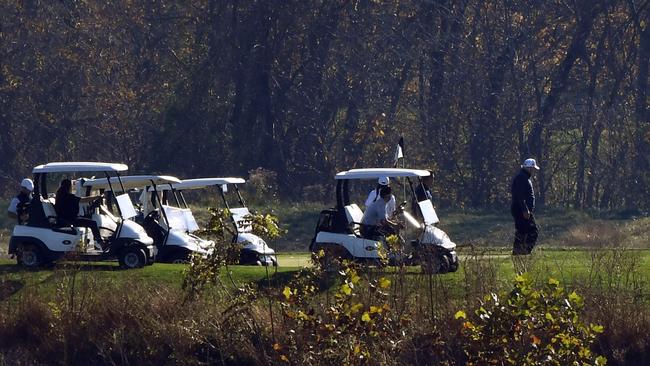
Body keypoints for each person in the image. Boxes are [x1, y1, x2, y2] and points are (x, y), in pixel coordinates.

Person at [54, 179, 105, 247]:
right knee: (93, 223)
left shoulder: (60, 196)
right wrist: (97, 197)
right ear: (69, 187)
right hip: (70, 220)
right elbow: (83, 200)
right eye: (71, 186)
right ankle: (101, 243)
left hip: (65, 219)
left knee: (87, 220)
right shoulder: (69, 196)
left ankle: (90, 242)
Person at [511, 158, 540, 255]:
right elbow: (519, 195)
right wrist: (525, 210)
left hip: (523, 210)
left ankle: (519, 253)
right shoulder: (521, 178)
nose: (534, 171)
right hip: (522, 210)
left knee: (523, 232)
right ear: (528, 168)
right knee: (532, 232)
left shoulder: (524, 177)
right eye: (533, 169)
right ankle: (522, 252)